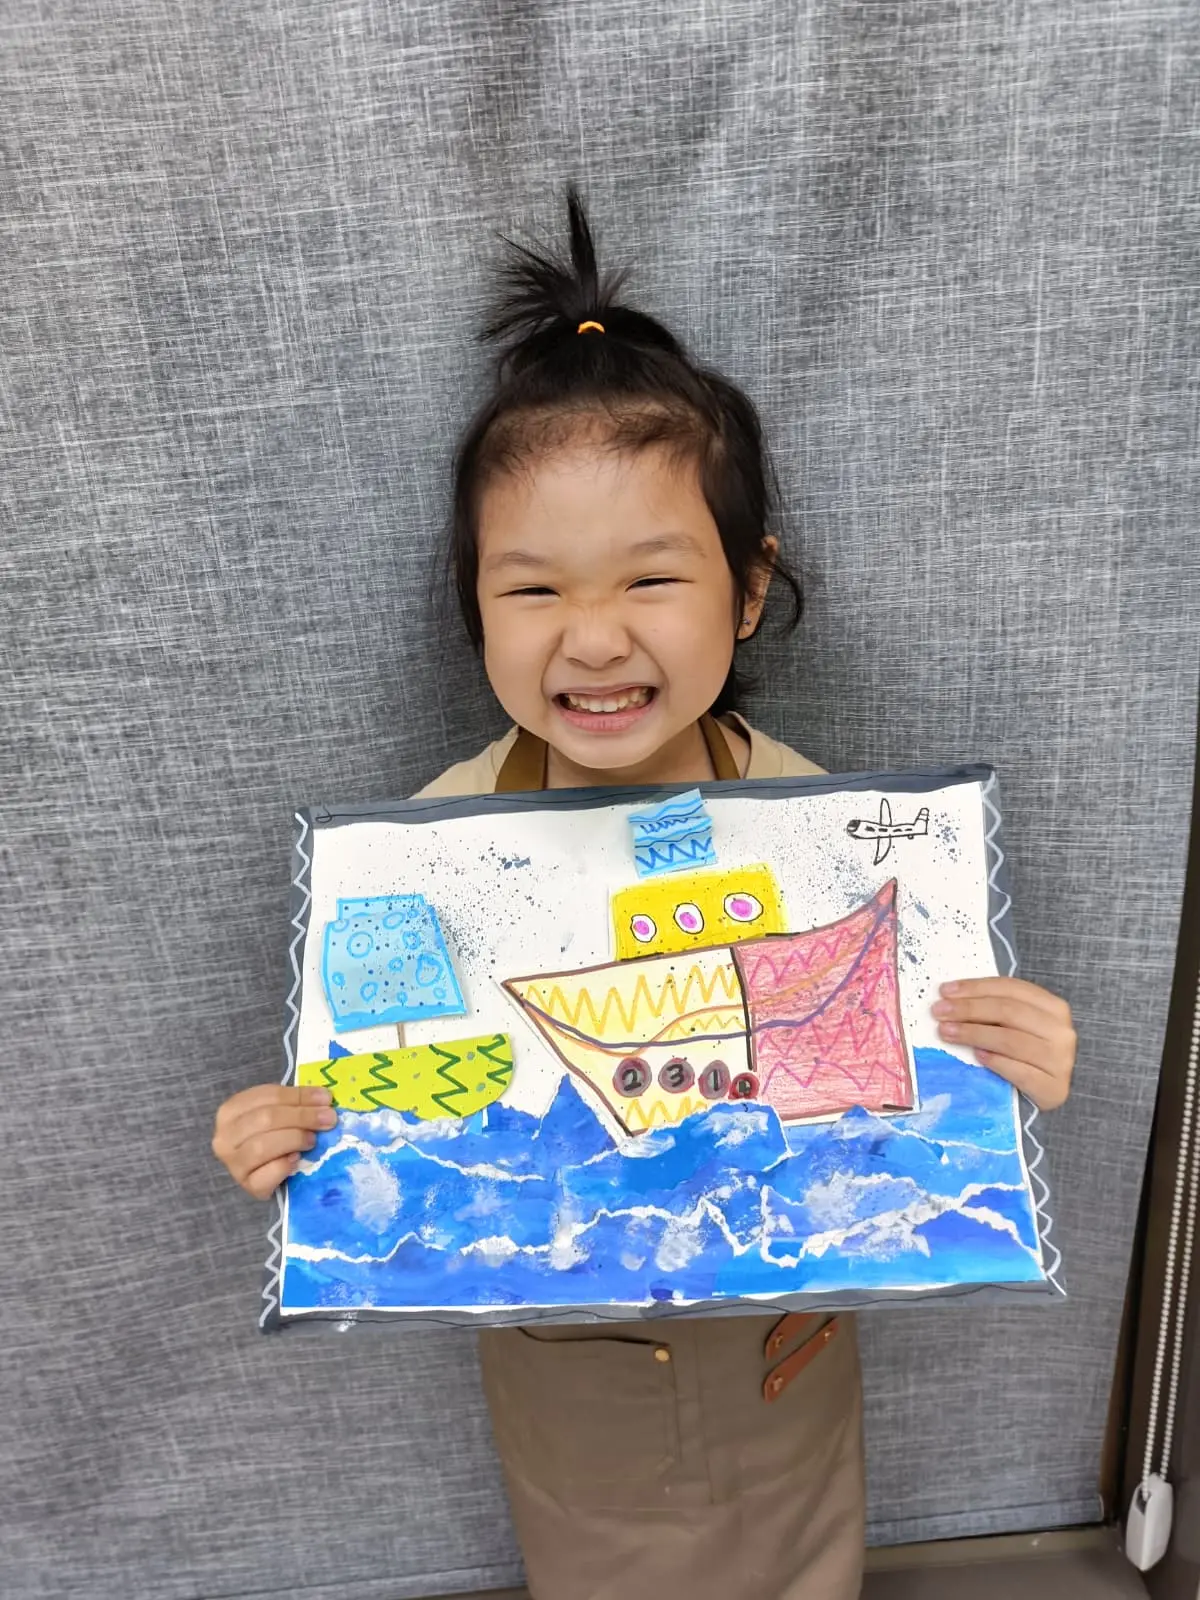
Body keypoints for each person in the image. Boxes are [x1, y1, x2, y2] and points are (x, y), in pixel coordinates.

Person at [211, 189, 1077, 1600]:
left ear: (746, 594)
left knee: (809, 1567)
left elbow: (906, 1086)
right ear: (473, 609)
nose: (594, 635)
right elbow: (392, 1086)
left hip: (787, 1351)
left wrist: (999, 1060)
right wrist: (296, 1135)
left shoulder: (843, 842)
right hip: (568, 1382)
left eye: (653, 576)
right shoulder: (424, 850)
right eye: (534, 590)